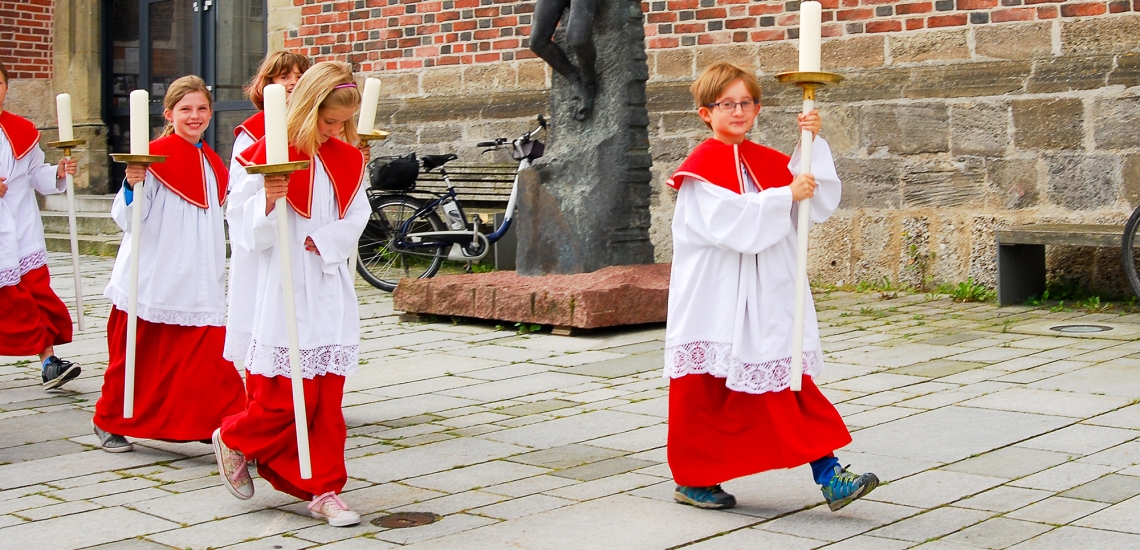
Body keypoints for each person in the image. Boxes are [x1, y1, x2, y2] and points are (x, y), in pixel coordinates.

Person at [664, 61, 878, 511]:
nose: (738, 111)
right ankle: (695, 480)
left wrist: (810, 144)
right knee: (706, 393)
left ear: (757, 108)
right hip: (717, 301)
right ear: (707, 113)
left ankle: (831, 475)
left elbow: (808, 203)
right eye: (727, 104)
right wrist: (785, 195)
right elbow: (730, 222)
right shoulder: (699, 172)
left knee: (786, 384)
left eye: (746, 103)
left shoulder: (765, 162)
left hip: (764, 298)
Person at [215, 61, 369, 527]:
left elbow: (358, 213)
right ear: (307, 109)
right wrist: (267, 196)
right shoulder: (263, 155)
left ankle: (324, 489)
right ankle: (235, 437)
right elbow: (241, 226)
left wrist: (326, 241)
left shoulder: (347, 158)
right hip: (282, 285)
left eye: (343, 123)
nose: (336, 130)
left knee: (326, 399)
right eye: (329, 121)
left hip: (326, 283)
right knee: (282, 396)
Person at [92, 75, 246, 453]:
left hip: (197, 281)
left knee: (210, 365)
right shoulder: (151, 156)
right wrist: (131, 185)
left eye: (202, 109)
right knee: (136, 360)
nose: (195, 116)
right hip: (153, 275)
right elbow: (128, 221)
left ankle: (228, 430)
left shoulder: (212, 163)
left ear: (210, 112)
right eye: (186, 109)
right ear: (169, 113)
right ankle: (110, 420)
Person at [226, 51, 311, 365]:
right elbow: (238, 197)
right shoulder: (251, 134)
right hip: (266, 239)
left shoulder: (318, 126)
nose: (293, 83)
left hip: (305, 240)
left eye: (300, 76)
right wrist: (267, 197)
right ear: (268, 84)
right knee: (266, 316)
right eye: (284, 76)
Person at [0, 61, 80, 390]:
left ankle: (49, 363)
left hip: (20, 228)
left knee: (35, 297)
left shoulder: (20, 130)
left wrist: (58, 172)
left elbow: (34, 174)